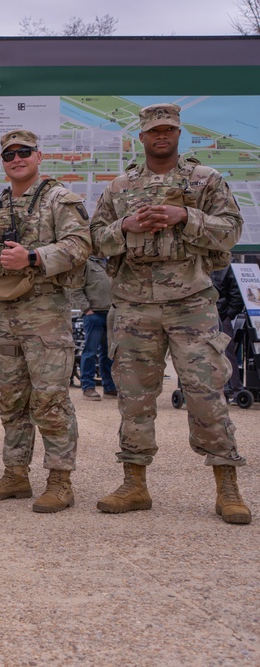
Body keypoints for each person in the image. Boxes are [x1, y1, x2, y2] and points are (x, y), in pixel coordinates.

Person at [90, 103, 251, 524]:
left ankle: (227, 486)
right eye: (153, 131)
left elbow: (232, 229)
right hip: (134, 305)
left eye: (169, 130)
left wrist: (186, 216)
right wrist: (126, 227)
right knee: (134, 397)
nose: (162, 136)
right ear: (141, 137)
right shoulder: (120, 186)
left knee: (206, 393)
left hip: (191, 305)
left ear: (179, 134)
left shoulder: (205, 180)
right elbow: (94, 239)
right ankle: (135, 483)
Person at [0, 129, 91, 514]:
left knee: (50, 400)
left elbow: (81, 245)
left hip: (45, 317)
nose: (16, 159)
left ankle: (59, 480)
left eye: (24, 152)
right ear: (2, 163)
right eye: (9, 155)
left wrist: (34, 257)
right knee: (12, 400)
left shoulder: (59, 199)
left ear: (39, 155)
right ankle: (16, 474)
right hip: (3, 317)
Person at [68, 258, 116, 401]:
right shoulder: (86, 264)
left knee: (109, 354)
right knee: (90, 352)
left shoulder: (109, 263)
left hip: (111, 314)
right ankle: (88, 387)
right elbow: (75, 289)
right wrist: (87, 310)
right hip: (94, 314)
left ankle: (110, 388)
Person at [212, 265, 245, 398]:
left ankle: (234, 388)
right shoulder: (226, 265)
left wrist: (228, 314)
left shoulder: (226, 266)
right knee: (226, 352)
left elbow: (236, 294)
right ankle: (234, 388)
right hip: (220, 313)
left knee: (226, 351)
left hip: (219, 313)